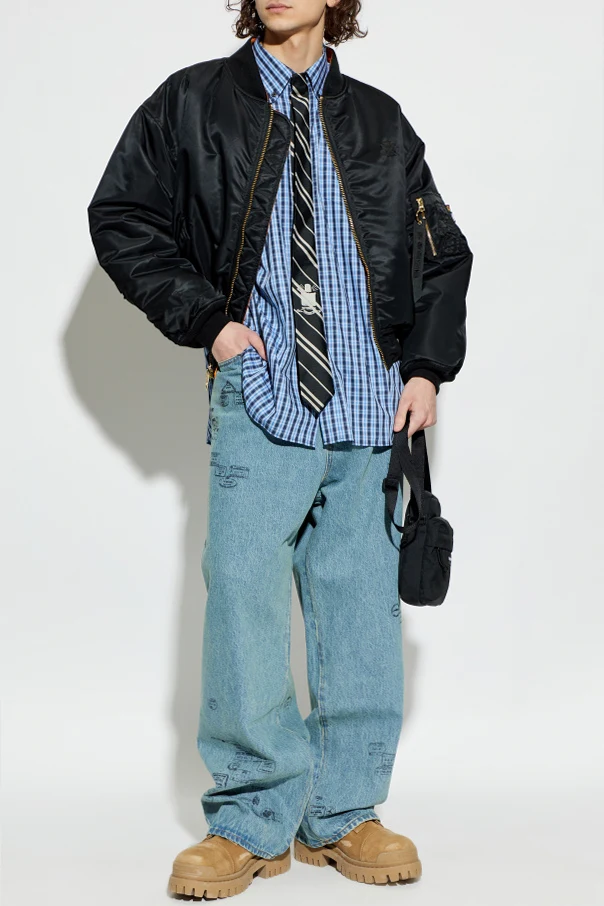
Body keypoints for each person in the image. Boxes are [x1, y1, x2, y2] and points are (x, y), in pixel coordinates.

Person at [87, 0, 473, 897]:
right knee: (244, 598)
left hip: (371, 401)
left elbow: (441, 252)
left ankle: (343, 813)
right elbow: (122, 215)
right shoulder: (192, 103)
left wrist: (426, 366)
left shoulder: (378, 118)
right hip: (263, 394)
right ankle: (251, 819)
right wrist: (211, 324)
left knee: (360, 606)